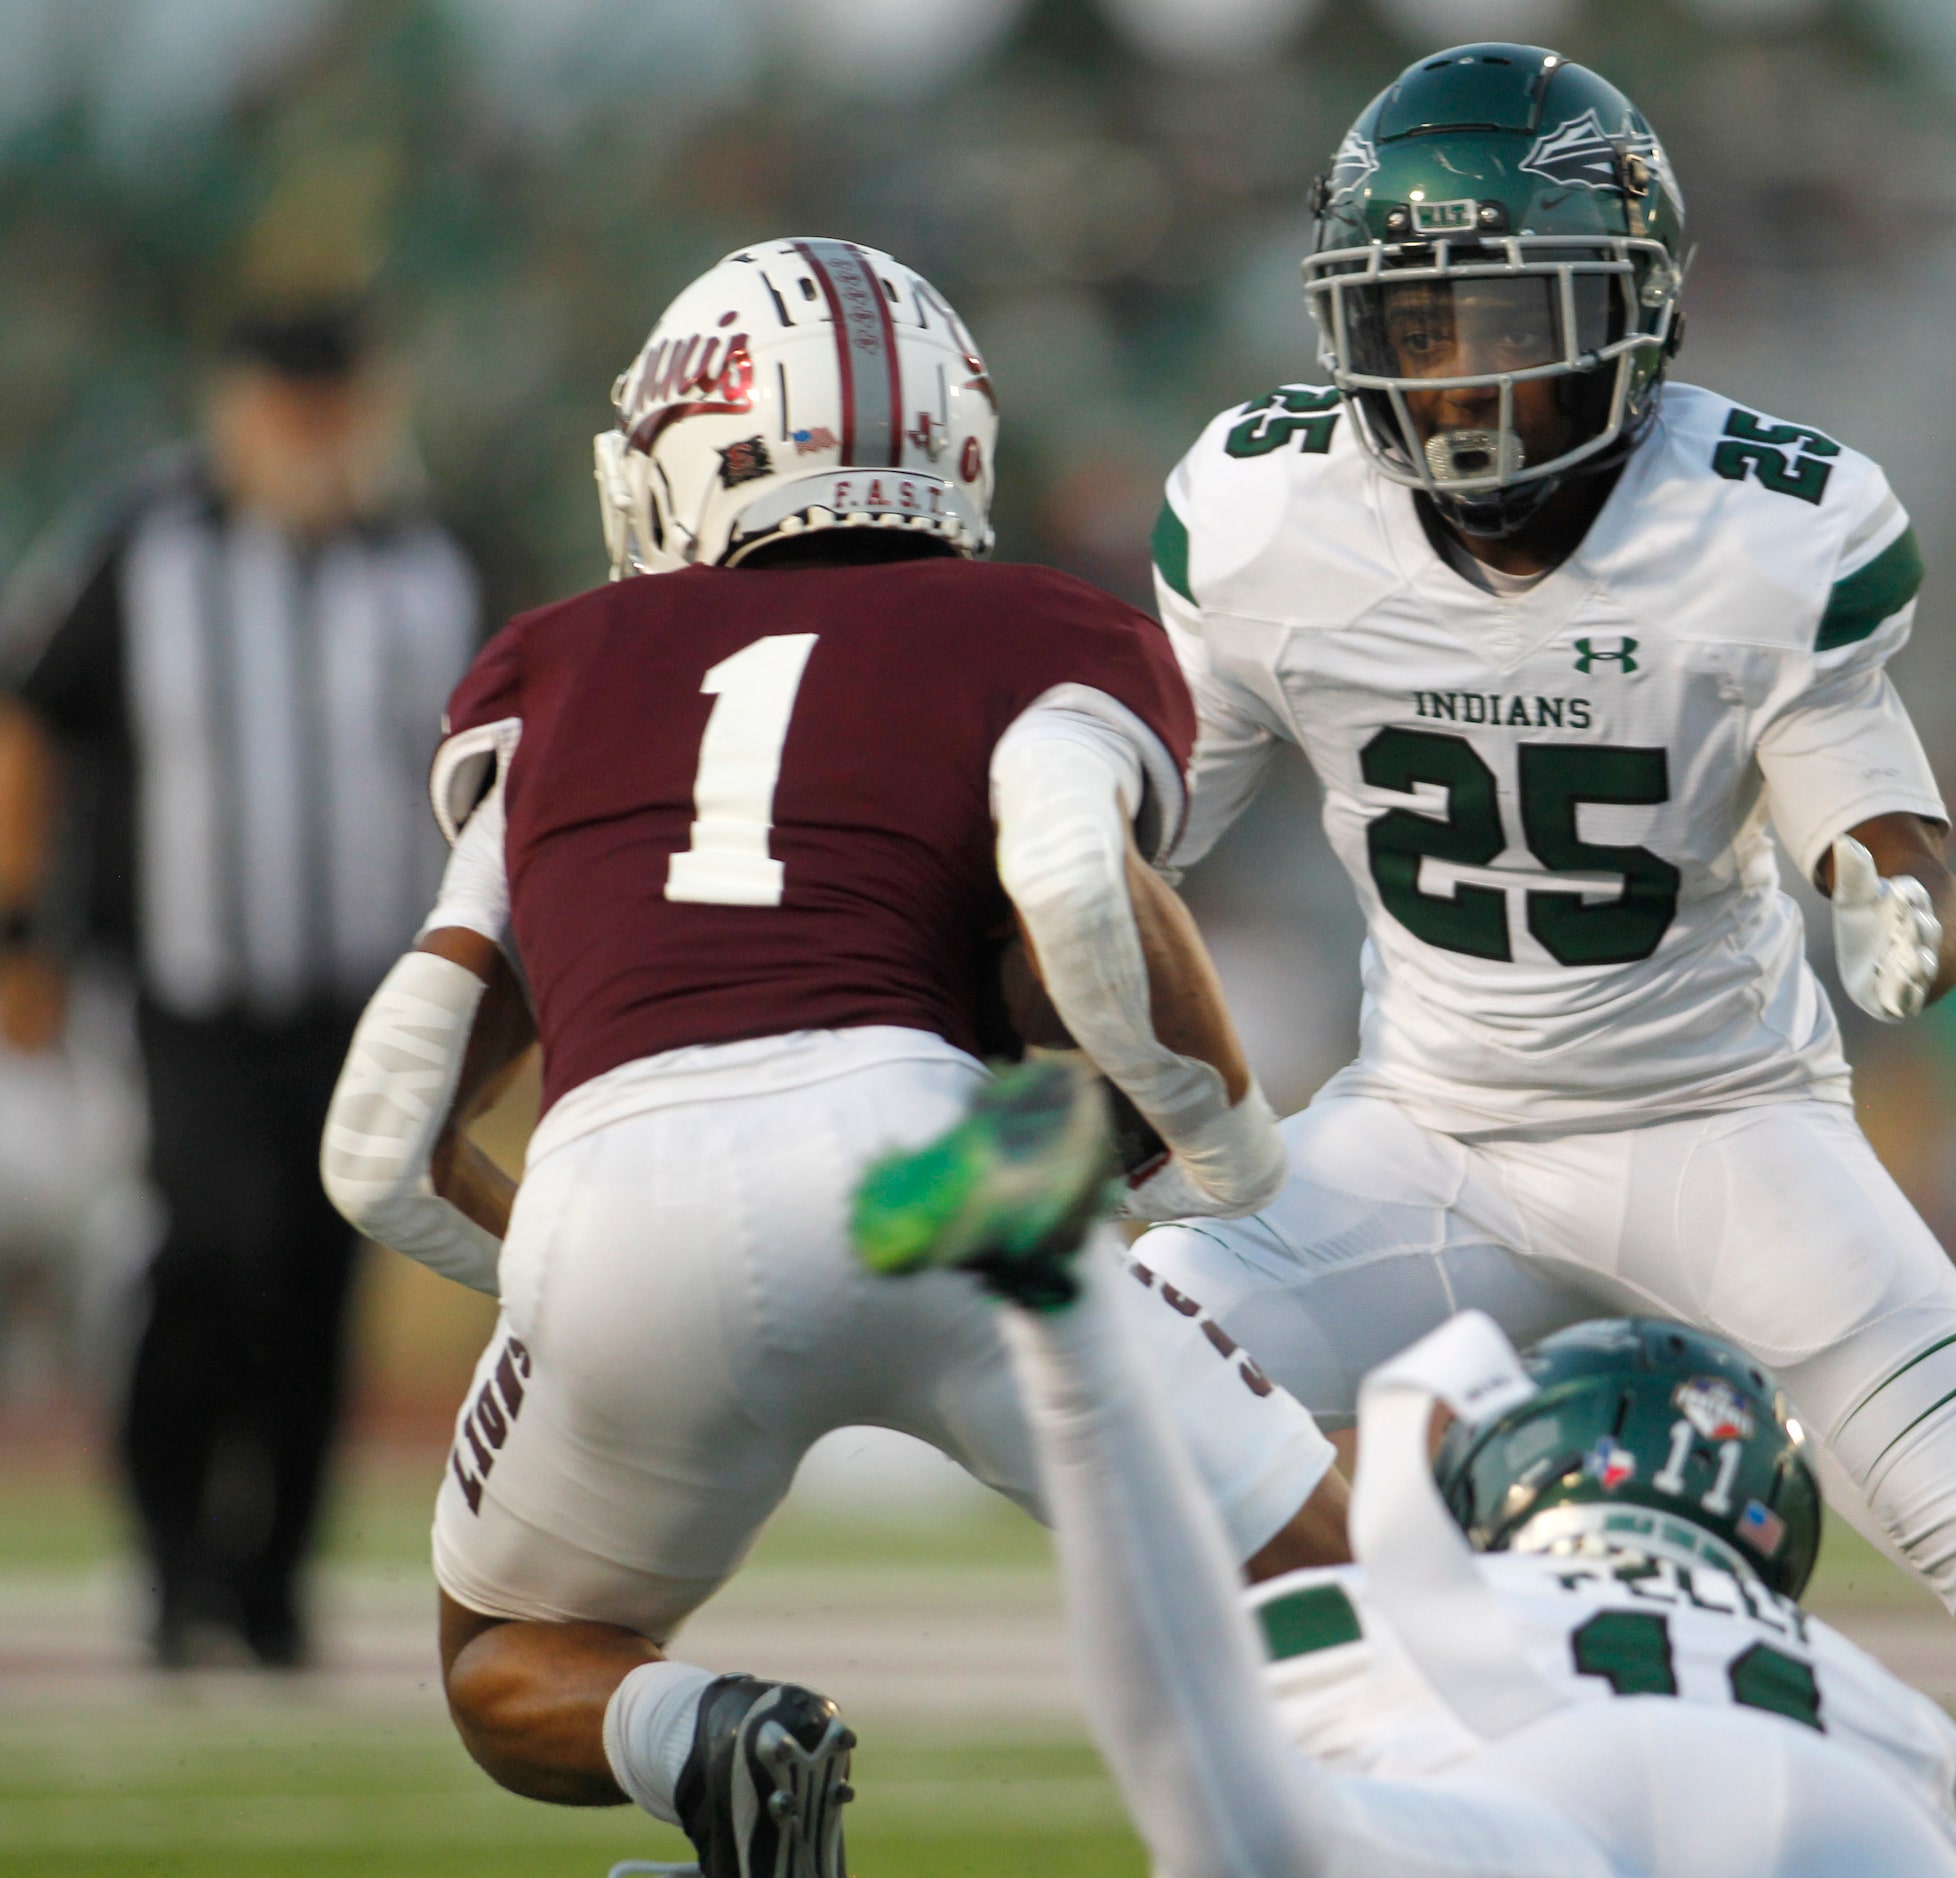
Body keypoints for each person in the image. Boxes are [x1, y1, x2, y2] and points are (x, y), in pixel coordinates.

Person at [1132, 41, 1956, 1878]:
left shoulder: (1760, 526)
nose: (1473, 377)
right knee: (1105, 1365)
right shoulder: (1270, 515)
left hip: (1721, 1126)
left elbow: (1865, 799)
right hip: (1421, 1132)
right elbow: (1151, 822)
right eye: (1423, 319)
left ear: (1639, 312)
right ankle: (1414, 1786)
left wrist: (1889, 891)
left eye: (1520, 312)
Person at [317, 237, 1348, 1878]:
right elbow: (1079, 891)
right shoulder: (1035, 624)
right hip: (932, 1168)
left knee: (511, 1669)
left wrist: (575, 1268)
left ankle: (711, 1736)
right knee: (1329, 1581)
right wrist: (1229, 1168)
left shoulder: (555, 660)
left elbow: (376, 1138)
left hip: (611, 1175)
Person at [855, 1058, 1956, 1878]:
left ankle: (1067, 1306)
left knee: (1237, 1827)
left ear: (1522, 1469)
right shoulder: (1887, 1706)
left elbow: (1209, 1692)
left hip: (1544, 1814)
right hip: (1862, 1829)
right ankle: (1065, 1308)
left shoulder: (1447, 1598)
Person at [0, 302, 481, 1666]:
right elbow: (30, 717)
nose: (314, 439)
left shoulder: (435, 561)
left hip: (368, 994)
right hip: (188, 992)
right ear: (237, 411)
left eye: (336, 408)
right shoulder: (146, 547)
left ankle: (271, 1585)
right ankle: (172, 1559)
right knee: (209, 1251)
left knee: (320, 1281)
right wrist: (20, 928)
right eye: (289, 409)